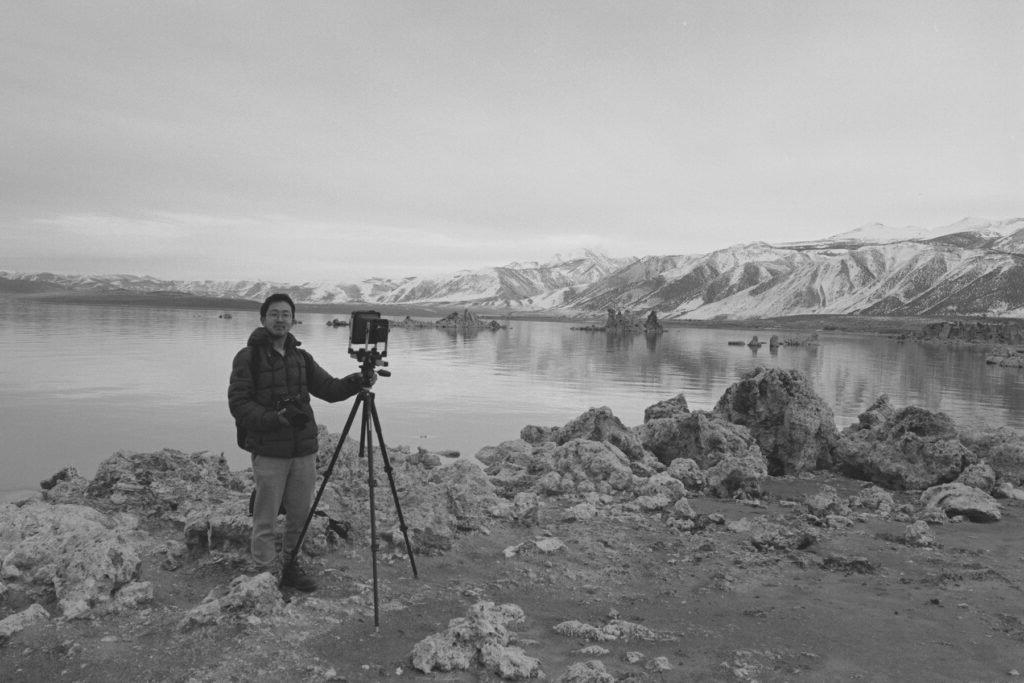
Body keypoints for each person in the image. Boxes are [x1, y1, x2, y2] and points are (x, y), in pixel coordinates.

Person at [228, 293, 371, 591]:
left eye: (286, 314)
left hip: (304, 449)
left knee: (299, 515)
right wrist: (276, 418)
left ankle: (291, 566)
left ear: (293, 319)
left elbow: (329, 389)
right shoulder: (248, 357)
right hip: (269, 451)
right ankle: (264, 574)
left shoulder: (301, 358)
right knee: (265, 515)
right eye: (274, 314)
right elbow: (239, 405)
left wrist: (358, 380)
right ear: (263, 318)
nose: (280, 319)